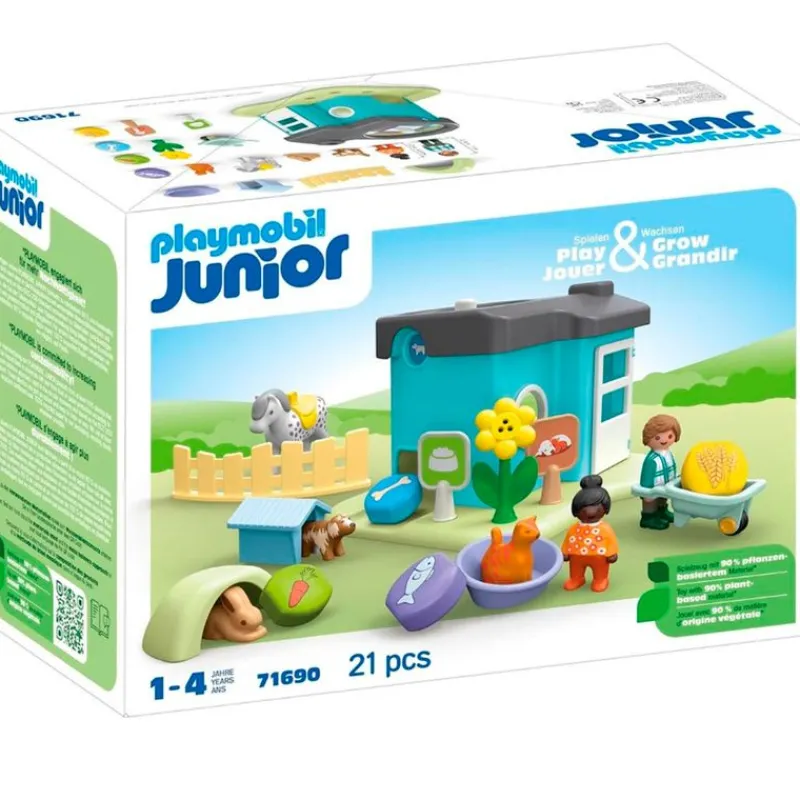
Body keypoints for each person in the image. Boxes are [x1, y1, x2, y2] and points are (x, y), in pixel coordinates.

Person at [561, 475, 618, 593]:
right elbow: (568, 539)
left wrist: (612, 553)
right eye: (584, 508)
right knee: (575, 568)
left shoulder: (605, 528)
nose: (590, 512)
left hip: (599, 556)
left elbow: (611, 541)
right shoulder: (574, 528)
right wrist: (565, 552)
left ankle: (600, 579)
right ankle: (576, 578)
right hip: (576, 555)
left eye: (596, 507)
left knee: (600, 569)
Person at [639, 414, 682, 530]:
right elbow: (647, 476)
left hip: (666, 485)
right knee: (651, 503)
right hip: (653, 487)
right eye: (657, 438)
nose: (664, 440)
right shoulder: (652, 459)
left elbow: (671, 467)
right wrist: (647, 491)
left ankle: (662, 512)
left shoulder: (668, 454)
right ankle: (648, 518)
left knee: (662, 499)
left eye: (670, 436)